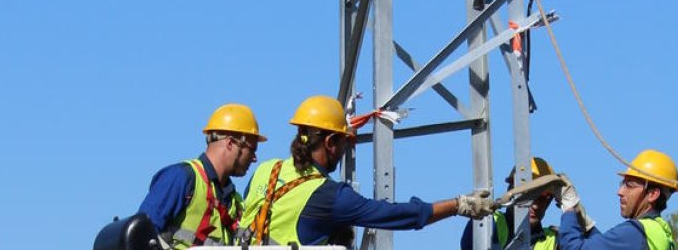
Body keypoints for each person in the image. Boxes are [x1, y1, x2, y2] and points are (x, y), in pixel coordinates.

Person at [238, 95, 498, 246]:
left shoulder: (265, 170)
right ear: (329, 143)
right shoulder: (330, 196)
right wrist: (457, 205)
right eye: (342, 143)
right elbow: (398, 215)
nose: (344, 151)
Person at [138, 104, 267, 249]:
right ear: (230, 143)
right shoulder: (181, 178)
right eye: (251, 149)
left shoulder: (234, 201)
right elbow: (140, 235)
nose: (255, 158)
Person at [556, 150, 678, 250]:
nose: (620, 192)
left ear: (652, 194)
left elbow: (572, 248)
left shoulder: (634, 233)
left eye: (629, 185)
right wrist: (587, 224)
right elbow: (609, 244)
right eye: (623, 183)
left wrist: (569, 208)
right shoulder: (657, 231)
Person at [461, 156, 560, 250]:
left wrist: (572, 209)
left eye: (543, 198)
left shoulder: (553, 240)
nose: (535, 205)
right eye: (530, 196)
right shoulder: (492, 222)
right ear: (511, 190)